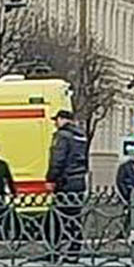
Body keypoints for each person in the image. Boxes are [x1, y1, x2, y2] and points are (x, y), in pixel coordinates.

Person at [46, 110, 91, 258]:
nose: (55, 123)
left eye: (56, 120)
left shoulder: (62, 136)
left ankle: (55, 250)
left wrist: (51, 179)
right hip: (78, 180)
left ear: (61, 119)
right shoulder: (81, 135)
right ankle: (74, 248)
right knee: (74, 215)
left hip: (65, 181)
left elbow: (57, 159)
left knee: (58, 217)